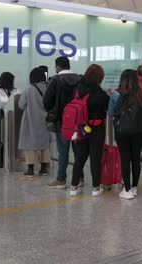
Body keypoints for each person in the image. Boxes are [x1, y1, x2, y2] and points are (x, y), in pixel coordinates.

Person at [108, 69, 142, 200]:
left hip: (122, 131)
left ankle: (126, 190)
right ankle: (134, 188)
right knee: (136, 159)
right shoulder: (141, 93)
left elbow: (110, 113)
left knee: (125, 158)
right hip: (139, 131)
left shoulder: (116, 94)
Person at [69, 64, 109, 197]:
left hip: (80, 127)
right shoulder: (100, 93)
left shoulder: (78, 90)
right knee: (95, 157)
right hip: (96, 128)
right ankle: (96, 188)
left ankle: (74, 187)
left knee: (80, 157)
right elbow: (106, 108)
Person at [43, 56, 82, 189]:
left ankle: (61, 179)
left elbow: (46, 102)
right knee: (78, 150)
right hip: (77, 122)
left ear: (58, 67)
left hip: (62, 122)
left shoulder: (55, 80)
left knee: (63, 151)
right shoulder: (79, 79)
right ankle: (80, 177)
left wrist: (52, 111)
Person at [18, 68, 51, 177]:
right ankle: (44, 169)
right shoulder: (48, 87)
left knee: (30, 143)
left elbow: (21, 105)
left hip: (31, 120)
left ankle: (30, 170)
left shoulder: (28, 89)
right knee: (45, 144)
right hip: (45, 120)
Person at [0, 72, 17, 168]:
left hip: (13, 117)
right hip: (0, 117)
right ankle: (0, 160)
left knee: (12, 138)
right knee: (0, 139)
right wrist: (11, 100)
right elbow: (0, 101)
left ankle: (11, 158)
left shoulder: (15, 90)